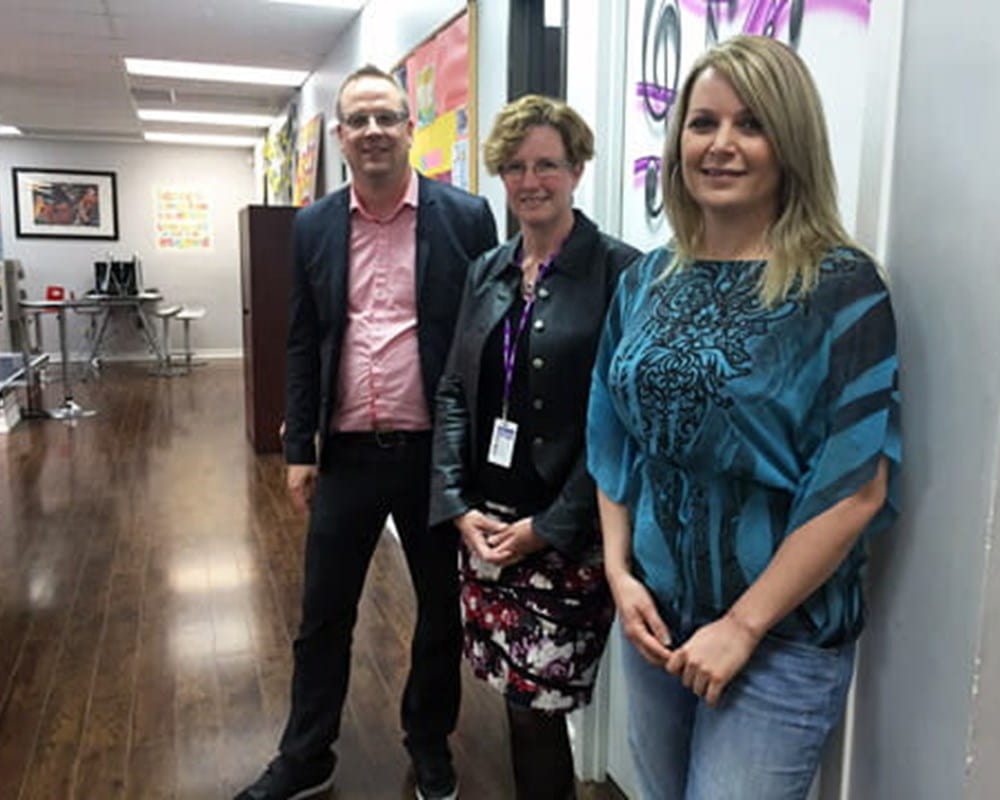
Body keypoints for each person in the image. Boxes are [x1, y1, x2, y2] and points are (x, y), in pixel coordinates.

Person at [587, 35, 901, 800]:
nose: (721, 145)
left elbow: (855, 486)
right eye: (702, 123)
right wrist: (618, 571)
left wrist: (743, 626)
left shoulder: (842, 288)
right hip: (655, 619)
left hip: (779, 638)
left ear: (788, 141)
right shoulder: (646, 280)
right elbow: (612, 430)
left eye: (751, 124)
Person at [236, 65, 497, 800]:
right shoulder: (316, 224)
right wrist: (296, 451)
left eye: (388, 117)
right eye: (359, 120)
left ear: (411, 129)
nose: (374, 131)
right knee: (323, 615)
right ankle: (307, 753)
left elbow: (486, 336)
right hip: (347, 452)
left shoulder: (466, 217)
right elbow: (302, 336)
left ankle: (428, 741)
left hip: (435, 458)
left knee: (441, 614)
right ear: (343, 136)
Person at [430, 94, 638, 799]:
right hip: (487, 526)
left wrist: (548, 528)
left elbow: (623, 423)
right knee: (514, 702)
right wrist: (458, 505)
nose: (530, 180)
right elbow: (455, 391)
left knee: (535, 709)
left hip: (566, 536)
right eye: (515, 166)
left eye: (547, 163)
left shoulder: (621, 272)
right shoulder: (485, 268)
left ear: (577, 169)